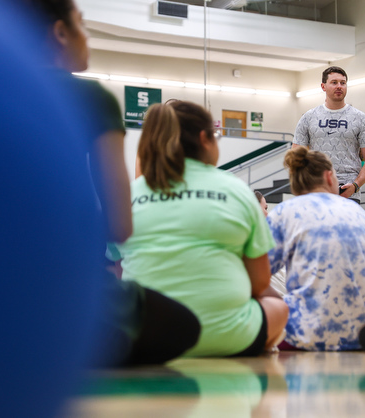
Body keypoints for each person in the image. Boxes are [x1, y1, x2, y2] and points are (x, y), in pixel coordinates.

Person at [0, 0, 200, 366]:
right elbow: (120, 226)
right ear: (61, 33)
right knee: (182, 325)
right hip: (61, 289)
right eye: (82, 24)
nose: (87, 36)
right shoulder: (91, 98)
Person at [118, 101, 289, 357]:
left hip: (144, 336)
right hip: (228, 337)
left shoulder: (129, 195)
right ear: (204, 139)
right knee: (278, 306)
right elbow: (259, 281)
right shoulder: (237, 190)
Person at [266, 147, 365, 351]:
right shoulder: (363, 216)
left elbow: (256, 279)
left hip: (305, 337)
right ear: (330, 177)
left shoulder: (283, 214)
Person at [293, 66, 365, 203]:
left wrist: (355, 186)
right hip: (317, 191)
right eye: (334, 82)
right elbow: (296, 158)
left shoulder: (360, 118)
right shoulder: (308, 118)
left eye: (342, 83)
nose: (339, 86)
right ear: (323, 86)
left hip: (348, 193)